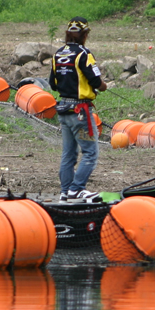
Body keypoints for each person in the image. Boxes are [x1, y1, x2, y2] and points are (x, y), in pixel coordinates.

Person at [49, 16, 107, 202]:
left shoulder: (57, 54)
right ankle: (77, 189)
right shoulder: (84, 54)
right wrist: (103, 86)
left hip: (63, 109)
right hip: (80, 111)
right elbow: (96, 81)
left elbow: (52, 84)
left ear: (68, 34)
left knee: (68, 154)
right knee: (90, 153)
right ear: (84, 34)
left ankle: (65, 192)